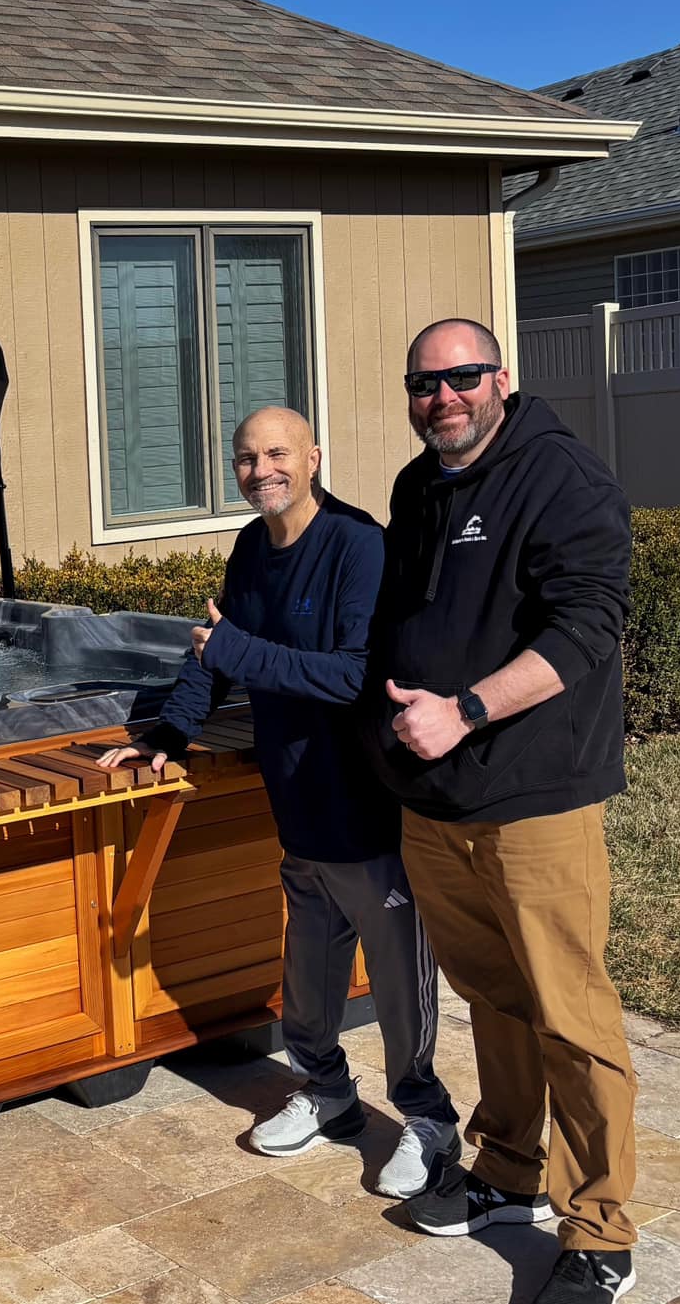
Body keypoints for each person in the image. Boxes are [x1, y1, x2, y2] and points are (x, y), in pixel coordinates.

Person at [101, 405, 459, 1199]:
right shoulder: (252, 548)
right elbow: (214, 653)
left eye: (276, 454)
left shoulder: (358, 545)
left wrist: (231, 649)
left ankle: (428, 1121)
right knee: (308, 967)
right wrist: (169, 734)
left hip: (367, 808)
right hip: (296, 804)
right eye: (245, 458)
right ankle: (328, 1091)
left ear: (314, 458)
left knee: (400, 979)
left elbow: (349, 676)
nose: (261, 470)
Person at [365, 317, 637, 1304]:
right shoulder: (414, 486)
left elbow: (585, 628)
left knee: (571, 1014)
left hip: (533, 801)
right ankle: (509, 1166)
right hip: (436, 803)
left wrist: (465, 710)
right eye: (423, 382)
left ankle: (600, 1229)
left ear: (500, 379)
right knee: (492, 996)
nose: (442, 397)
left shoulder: (561, 478)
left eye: (461, 377)